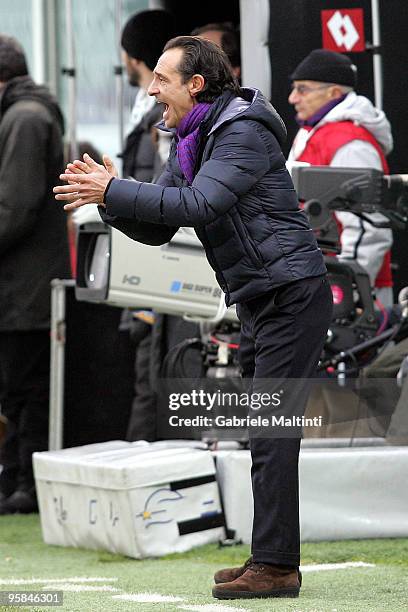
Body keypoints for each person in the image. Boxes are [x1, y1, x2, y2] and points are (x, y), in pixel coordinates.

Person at [54, 36, 333, 599]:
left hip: (290, 294)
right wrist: (106, 199)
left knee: (271, 433)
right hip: (263, 296)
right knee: (264, 433)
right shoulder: (194, 138)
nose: (152, 89)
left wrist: (115, 187)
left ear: (196, 85)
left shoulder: (240, 131)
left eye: (162, 79)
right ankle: (273, 559)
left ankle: (276, 566)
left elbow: (200, 206)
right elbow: (159, 226)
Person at [0, 35, 70, 514]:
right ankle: (19, 483)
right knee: (22, 388)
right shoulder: (26, 113)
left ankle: (24, 486)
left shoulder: (24, 118)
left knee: (23, 388)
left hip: (24, 287)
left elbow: (15, 208)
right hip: (24, 284)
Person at [287, 49, 394, 307]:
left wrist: (349, 291)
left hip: (348, 297)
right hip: (313, 283)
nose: (292, 98)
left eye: (302, 89)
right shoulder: (315, 132)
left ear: (334, 93)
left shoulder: (350, 144)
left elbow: (368, 228)